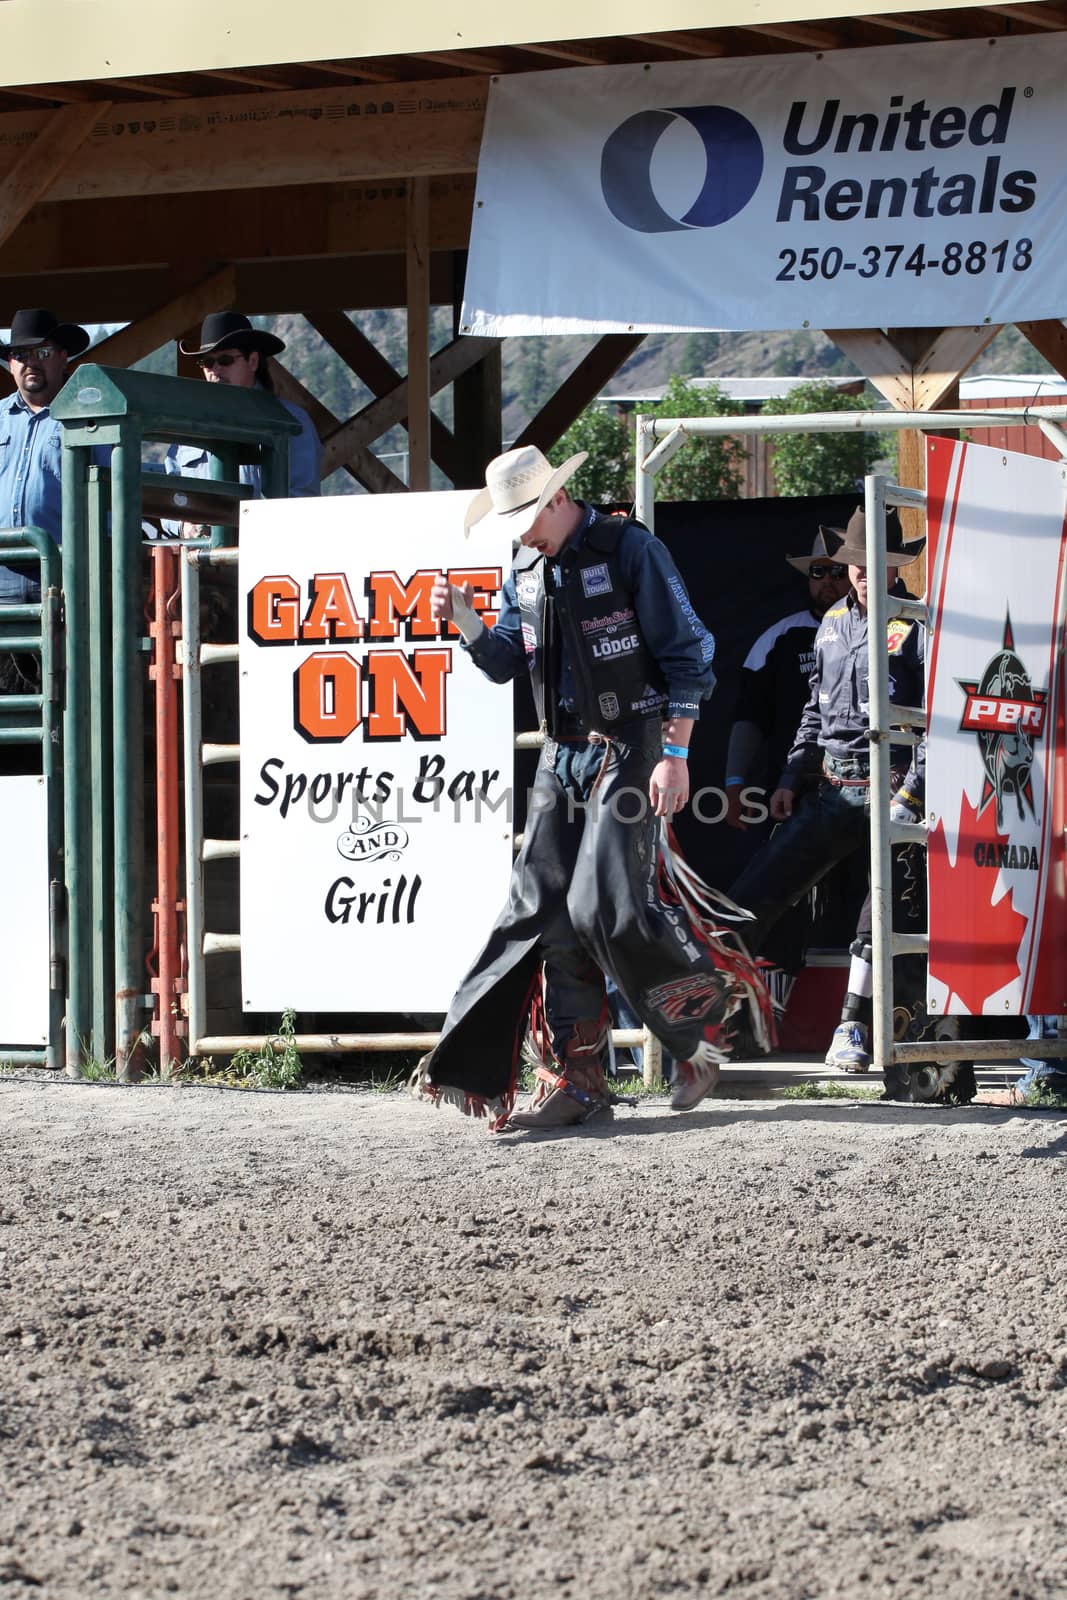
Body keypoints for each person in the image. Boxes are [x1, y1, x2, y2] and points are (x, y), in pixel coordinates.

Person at [411, 445, 771, 1133]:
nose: (517, 533)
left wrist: (675, 754)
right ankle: (577, 1078)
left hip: (632, 744)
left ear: (554, 499)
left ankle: (699, 1027)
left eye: (522, 515)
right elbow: (504, 662)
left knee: (596, 901)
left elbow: (688, 655)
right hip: (563, 751)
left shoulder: (628, 548)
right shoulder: (525, 564)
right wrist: (467, 624)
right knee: (540, 911)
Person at [727, 507, 925, 1073]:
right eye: (854, 562)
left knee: (879, 908)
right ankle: (717, 1022)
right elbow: (815, 709)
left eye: (875, 562)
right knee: (751, 895)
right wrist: (791, 777)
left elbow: (937, 722)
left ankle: (853, 1026)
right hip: (833, 785)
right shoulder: (833, 620)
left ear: (896, 566)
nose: (862, 572)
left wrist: (909, 797)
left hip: (893, 784)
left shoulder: (917, 623)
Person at [723, 530, 852, 1006]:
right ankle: (772, 1009)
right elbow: (748, 716)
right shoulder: (781, 636)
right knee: (778, 898)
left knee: (865, 899)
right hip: (792, 795)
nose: (829, 581)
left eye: (838, 570)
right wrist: (735, 782)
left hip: (865, 789)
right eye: (818, 572)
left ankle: (867, 1015)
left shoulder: (887, 628)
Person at [164, 312, 321, 533]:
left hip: (265, 561)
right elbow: (168, 498)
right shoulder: (187, 425)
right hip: (198, 563)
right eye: (207, 362)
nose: (215, 370)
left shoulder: (292, 422)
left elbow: (303, 501)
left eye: (225, 360)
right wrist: (184, 526)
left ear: (253, 361)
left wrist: (247, 526)